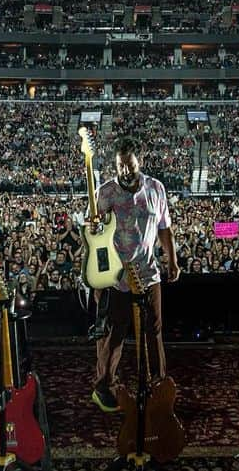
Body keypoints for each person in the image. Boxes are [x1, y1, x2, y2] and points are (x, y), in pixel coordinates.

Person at [90, 136, 180, 413]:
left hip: (148, 271)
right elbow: (94, 236)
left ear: (139, 161)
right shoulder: (105, 193)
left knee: (154, 329)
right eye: (120, 166)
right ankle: (104, 385)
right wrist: (98, 274)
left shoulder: (156, 188)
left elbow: (164, 227)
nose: (125, 171)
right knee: (115, 332)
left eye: (129, 165)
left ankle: (158, 383)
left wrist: (172, 260)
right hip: (117, 275)